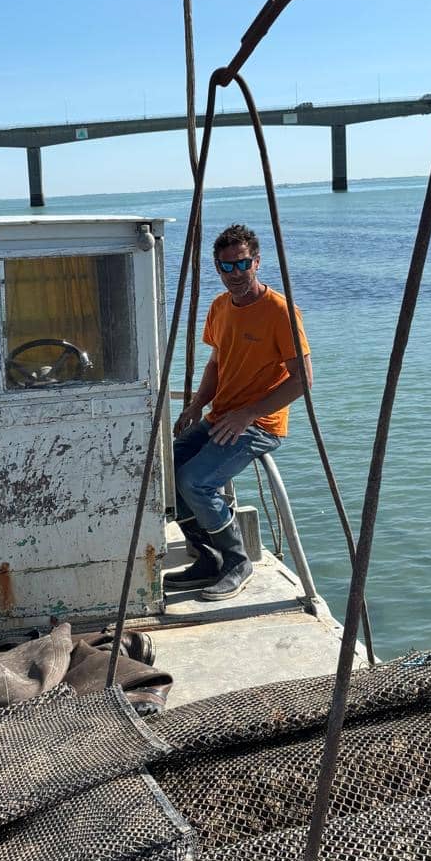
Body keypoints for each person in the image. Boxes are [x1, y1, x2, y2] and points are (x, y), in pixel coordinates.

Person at [168, 223, 311, 601]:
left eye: (241, 264)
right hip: (221, 415)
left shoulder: (280, 311)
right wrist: (196, 406)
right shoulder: (219, 307)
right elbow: (216, 363)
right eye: (226, 267)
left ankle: (237, 561)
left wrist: (248, 414)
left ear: (257, 262)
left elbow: (302, 381)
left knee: (195, 481)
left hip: (259, 423)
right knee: (166, 472)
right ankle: (209, 556)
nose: (235, 274)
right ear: (217, 268)